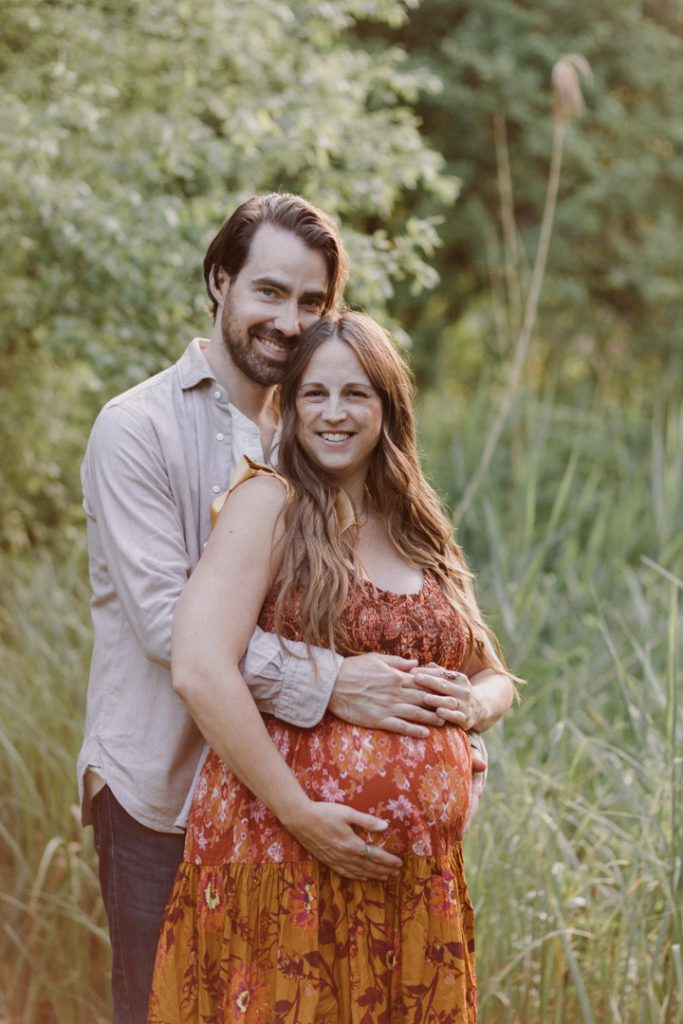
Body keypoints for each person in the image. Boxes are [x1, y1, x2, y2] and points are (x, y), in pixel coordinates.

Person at [78, 194, 489, 1024]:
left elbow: (431, 630)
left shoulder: (325, 428)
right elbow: (174, 637)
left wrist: (461, 733)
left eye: (312, 302)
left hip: (313, 842)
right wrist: (336, 685)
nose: (289, 320)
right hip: (168, 794)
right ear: (219, 282)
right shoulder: (138, 430)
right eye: (268, 292)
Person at [148, 311, 515, 1023]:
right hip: (283, 859)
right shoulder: (268, 503)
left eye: (356, 395)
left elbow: (493, 673)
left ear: (388, 407)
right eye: (315, 394)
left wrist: (469, 710)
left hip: (410, 888)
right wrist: (301, 814)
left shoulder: (416, 521)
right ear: (288, 405)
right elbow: (199, 669)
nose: (335, 414)